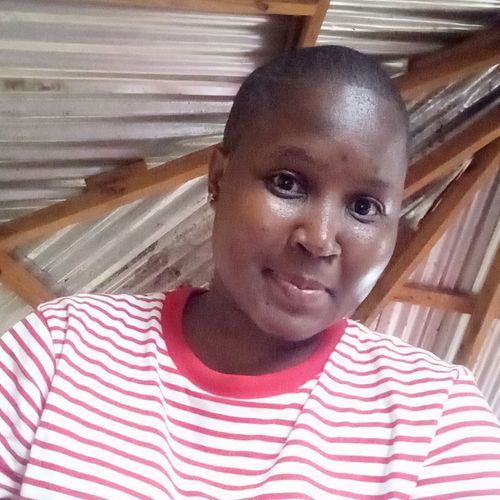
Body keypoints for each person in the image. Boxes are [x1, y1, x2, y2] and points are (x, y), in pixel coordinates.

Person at [1, 46, 499, 500]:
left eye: (364, 207)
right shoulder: (57, 354)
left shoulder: (435, 426)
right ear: (219, 179)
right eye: (288, 182)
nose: (320, 238)